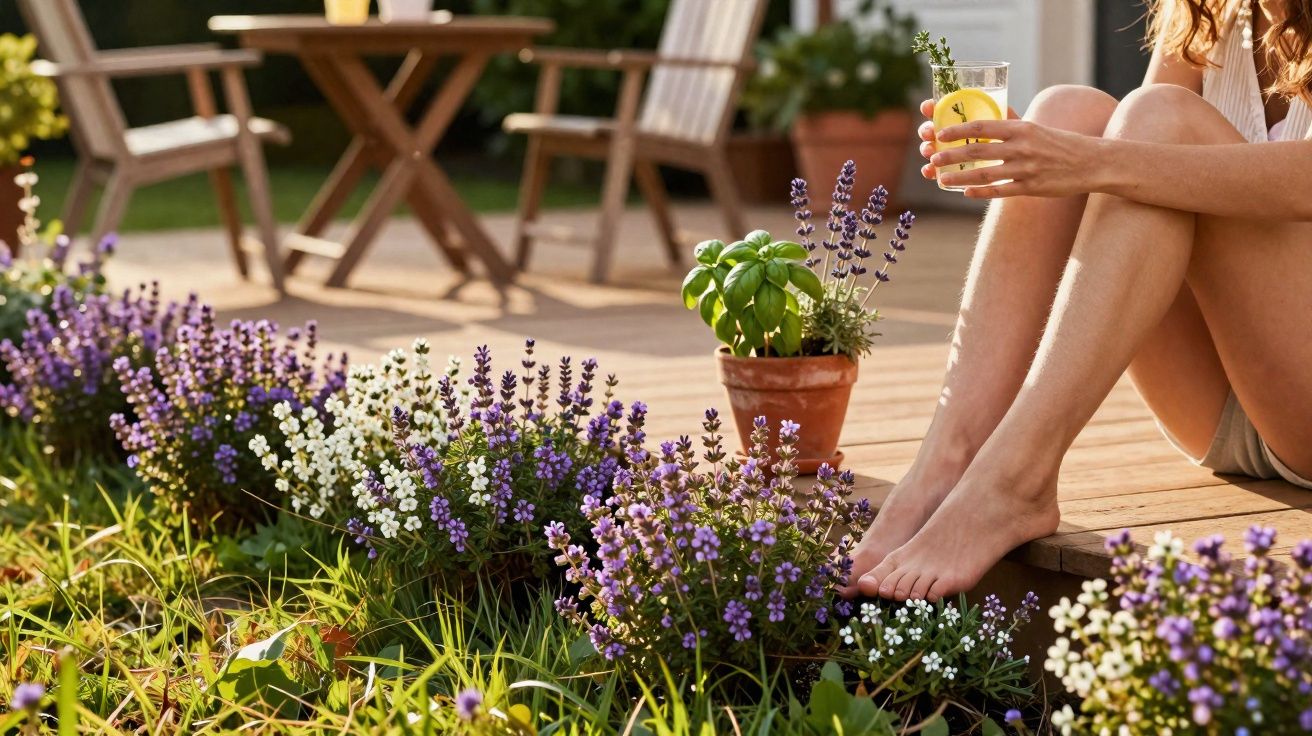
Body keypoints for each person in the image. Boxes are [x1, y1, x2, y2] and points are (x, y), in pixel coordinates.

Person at [842, 0, 1312, 603]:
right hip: (1216, 403)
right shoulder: (1207, 10)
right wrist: (1033, 153)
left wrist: (1080, 161)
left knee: (1153, 124)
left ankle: (1015, 479)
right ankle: (946, 463)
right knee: (1071, 111)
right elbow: (1136, 153)